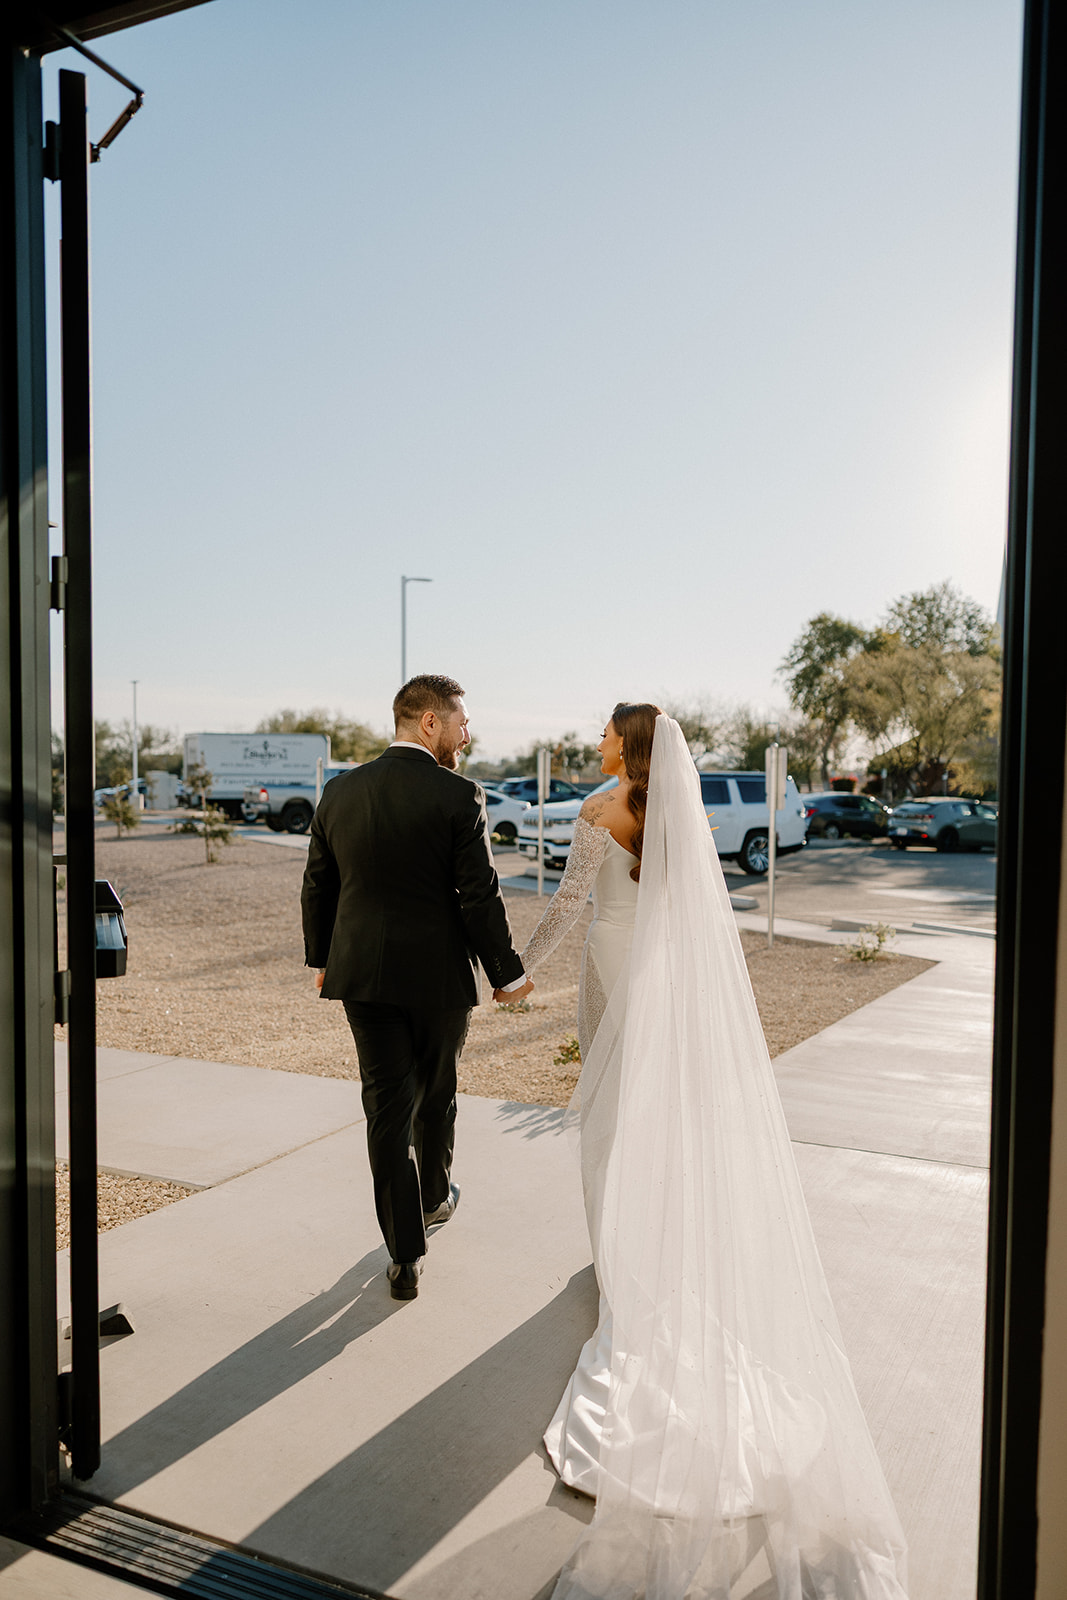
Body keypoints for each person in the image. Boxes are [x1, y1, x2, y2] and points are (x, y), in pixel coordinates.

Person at [520, 705, 909, 1599]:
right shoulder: (675, 813)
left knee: (609, 1126)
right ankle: (648, 1246)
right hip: (662, 974)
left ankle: (620, 1265)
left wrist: (515, 974)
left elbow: (572, 905)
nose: (597, 742)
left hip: (612, 968)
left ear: (630, 745)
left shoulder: (599, 807)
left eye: (607, 733)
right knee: (655, 1118)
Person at [301, 674, 532, 1300]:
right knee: (436, 1094)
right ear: (428, 722)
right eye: (460, 721)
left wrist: (322, 957)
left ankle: (405, 1253)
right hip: (436, 978)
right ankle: (433, 1197)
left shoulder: (340, 791)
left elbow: (318, 882)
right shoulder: (459, 795)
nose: (466, 733)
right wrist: (506, 972)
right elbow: (478, 892)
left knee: (385, 1108)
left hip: (362, 978)